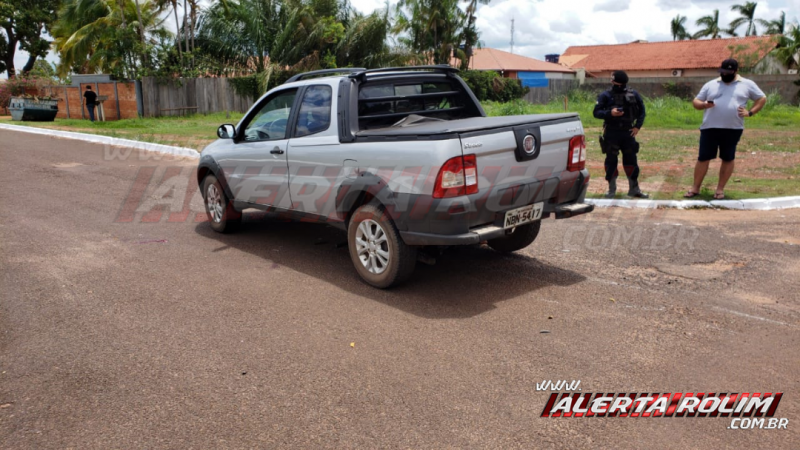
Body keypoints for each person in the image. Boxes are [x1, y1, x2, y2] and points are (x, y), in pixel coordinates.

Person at [686, 59, 766, 200]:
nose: (724, 75)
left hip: (733, 128)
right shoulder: (711, 84)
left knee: (728, 158)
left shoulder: (747, 84)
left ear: (735, 71)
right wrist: (704, 104)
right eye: (722, 72)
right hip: (709, 128)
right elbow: (696, 102)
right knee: (703, 158)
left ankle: (720, 190)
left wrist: (750, 112)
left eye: (728, 72)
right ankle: (695, 188)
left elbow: (761, 98)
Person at [593, 70, 648, 198]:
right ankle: (611, 190)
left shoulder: (633, 94)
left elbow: (642, 111)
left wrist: (637, 127)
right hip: (612, 133)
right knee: (611, 161)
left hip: (628, 133)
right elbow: (596, 112)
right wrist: (610, 113)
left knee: (631, 161)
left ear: (613, 80)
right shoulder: (606, 95)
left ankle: (634, 189)